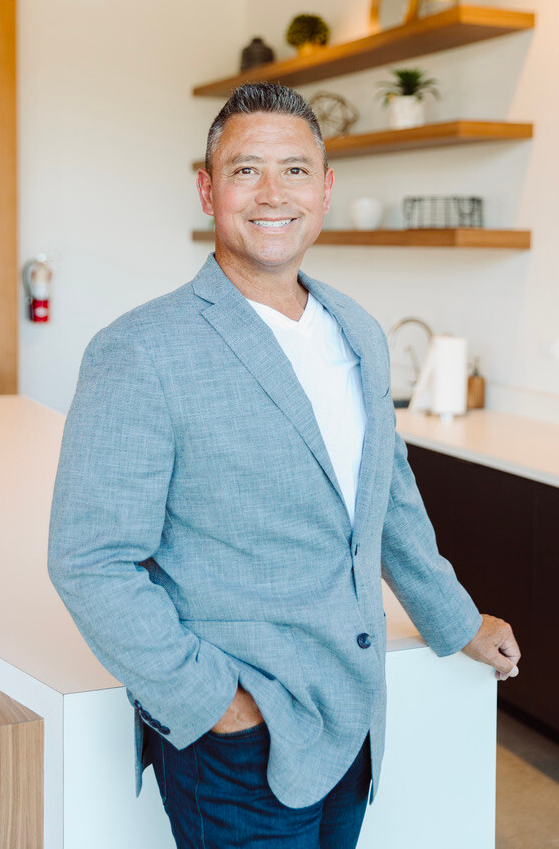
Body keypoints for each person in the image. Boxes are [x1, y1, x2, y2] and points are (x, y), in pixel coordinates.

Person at [47, 82, 521, 849]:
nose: (273, 193)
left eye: (294, 170)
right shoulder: (140, 349)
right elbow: (89, 558)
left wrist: (457, 620)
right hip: (235, 746)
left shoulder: (357, 331)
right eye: (246, 170)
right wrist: (216, 704)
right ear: (207, 190)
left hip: (354, 719)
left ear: (325, 189)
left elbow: (388, 497)